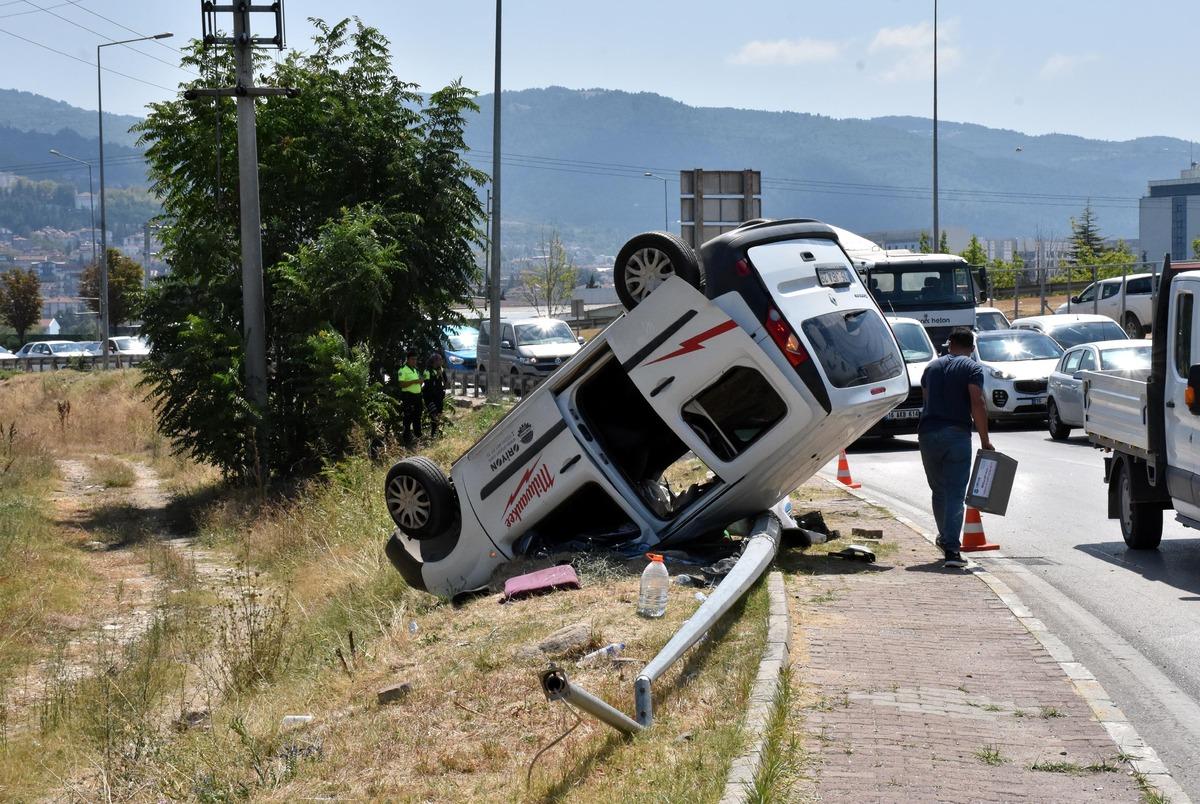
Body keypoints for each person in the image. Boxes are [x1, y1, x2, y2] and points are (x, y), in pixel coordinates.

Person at [918, 327, 994, 568]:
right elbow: (977, 401)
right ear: (972, 348)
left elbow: (926, 398)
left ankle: (944, 538)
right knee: (955, 493)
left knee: (938, 490)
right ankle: (952, 549)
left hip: (927, 434)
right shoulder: (971, 367)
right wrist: (985, 439)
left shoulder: (931, 367)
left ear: (949, 344)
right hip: (956, 434)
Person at [397, 349, 424, 442]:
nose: (414, 361)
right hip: (408, 397)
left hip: (418, 396)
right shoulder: (403, 370)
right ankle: (407, 439)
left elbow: (420, 381)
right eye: (412, 359)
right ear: (408, 359)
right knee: (408, 418)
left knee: (417, 417)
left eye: (415, 359)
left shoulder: (416, 370)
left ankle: (418, 436)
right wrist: (414, 381)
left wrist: (420, 381)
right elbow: (401, 384)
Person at [423, 352, 448, 438]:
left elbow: (446, 384)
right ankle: (433, 434)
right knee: (434, 415)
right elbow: (428, 385)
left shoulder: (442, 369)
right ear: (435, 361)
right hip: (429, 397)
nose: (442, 361)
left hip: (439, 396)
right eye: (440, 360)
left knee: (439, 415)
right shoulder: (427, 371)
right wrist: (436, 376)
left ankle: (437, 433)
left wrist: (441, 375)